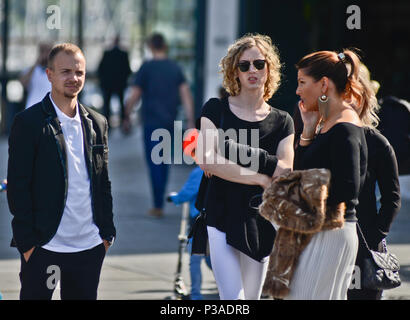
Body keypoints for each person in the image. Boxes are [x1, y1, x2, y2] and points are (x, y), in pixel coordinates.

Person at [7, 43, 116, 300]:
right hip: (44, 245)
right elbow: (18, 185)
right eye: (65, 71)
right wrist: (27, 243)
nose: (73, 78)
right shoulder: (29, 122)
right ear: (49, 75)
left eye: (79, 72)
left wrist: (106, 233)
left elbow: (103, 182)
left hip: (89, 245)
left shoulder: (97, 123)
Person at [195, 33, 294, 300]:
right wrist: (261, 179)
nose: (252, 70)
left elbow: (285, 171)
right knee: (232, 299)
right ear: (234, 72)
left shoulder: (283, 121)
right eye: (244, 65)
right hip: (220, 214)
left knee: (252, 298)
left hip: (260, 219)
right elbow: (207, 159)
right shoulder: (216, 109)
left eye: (259, 64)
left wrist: (228, 157)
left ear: (268, 69)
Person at [291, 49, 370, 299]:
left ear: (323, 84)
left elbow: (349, 188)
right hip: (323, 231)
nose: (298, 91)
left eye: (302, 82)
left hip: (332, 232)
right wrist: (308, 130)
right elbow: (300, 171)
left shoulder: (345, 128)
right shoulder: (330, 123)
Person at [124, 33, 195, 218]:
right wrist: (190, 120)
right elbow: (186, 95)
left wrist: (126, 115)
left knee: (154, 162)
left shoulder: (146, 68)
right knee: (163, 161)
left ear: (150, 46)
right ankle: (159, 200)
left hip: (151, 121)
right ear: (164, 46)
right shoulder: (175, 68)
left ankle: (157, 204)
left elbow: (134, 94)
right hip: (169, 122)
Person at [347, 65, 401, 300]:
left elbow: (392, 197)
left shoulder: (377, 142)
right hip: (326, 240)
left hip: (366, 240)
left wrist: (376, 235)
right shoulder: (316, 137)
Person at [169, 166, 212, 300]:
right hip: (219, 219)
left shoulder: (199, 171)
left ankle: (196, 295)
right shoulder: (226, 168)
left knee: (195, 258)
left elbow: (187, 193)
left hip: (200, 220)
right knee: (215, 258)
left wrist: (174, 198)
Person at [97, 35, 132, 130]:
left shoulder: (107, 53)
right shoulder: (124, 54)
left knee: (106, 106)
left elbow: (100, 69)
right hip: (120, 84)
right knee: (121, 104)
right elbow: (128, 70)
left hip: (108, 84)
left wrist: (102, 80)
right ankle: (123, 123)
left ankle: (107, 125)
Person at [19, 42, 52, 109]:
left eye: (48, 51)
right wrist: (36, 62)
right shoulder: (30, 70)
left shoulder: (55, 71)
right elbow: (23, 83)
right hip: (32, 109)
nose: (45, 54)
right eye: (43, 51)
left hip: (50, 109)